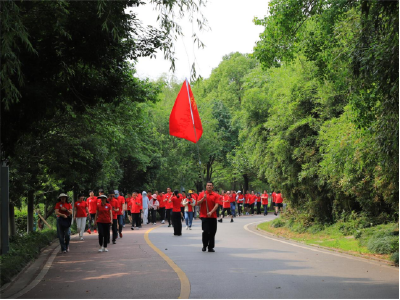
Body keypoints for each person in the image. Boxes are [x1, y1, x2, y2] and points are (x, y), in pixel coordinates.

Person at [197, 182, 219, 253]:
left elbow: (216, 205)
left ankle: (210, 247)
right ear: (206, 186)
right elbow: (198, 203)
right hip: (204, 216)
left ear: (212, 187)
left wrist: (211, 212)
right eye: (208, 185)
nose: (209, 187)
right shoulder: (202, 194)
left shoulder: (215, 195)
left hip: (212, 216)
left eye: (210, 186)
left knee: (212, 232)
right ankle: (204, 245)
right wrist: (203, 198)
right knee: (205, 231)